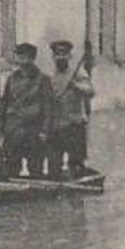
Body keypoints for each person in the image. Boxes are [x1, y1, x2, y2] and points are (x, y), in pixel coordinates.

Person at [0, 42, 53, 178]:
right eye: (19, 55)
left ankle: (37, 197)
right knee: (11, 165)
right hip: (13, 129)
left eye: (25, 56)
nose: (21, 59)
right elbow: (4, 103)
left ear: (32, 58)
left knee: (35, 166)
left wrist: (45, 131)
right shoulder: (11, 79)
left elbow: (48, 107)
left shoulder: (42, 79)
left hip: (33, 129)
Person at [46, 39, 95, 180]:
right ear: (53, 57)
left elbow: (90, 91)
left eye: (64, 54)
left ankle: (77, 197)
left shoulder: (79, 73)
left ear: (69, 56)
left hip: (74, 124)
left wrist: (75, 85)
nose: (60, 58)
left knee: (76, 162)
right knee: (54, 164)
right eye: (57, 55)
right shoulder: (50, 75)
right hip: (55, 124)